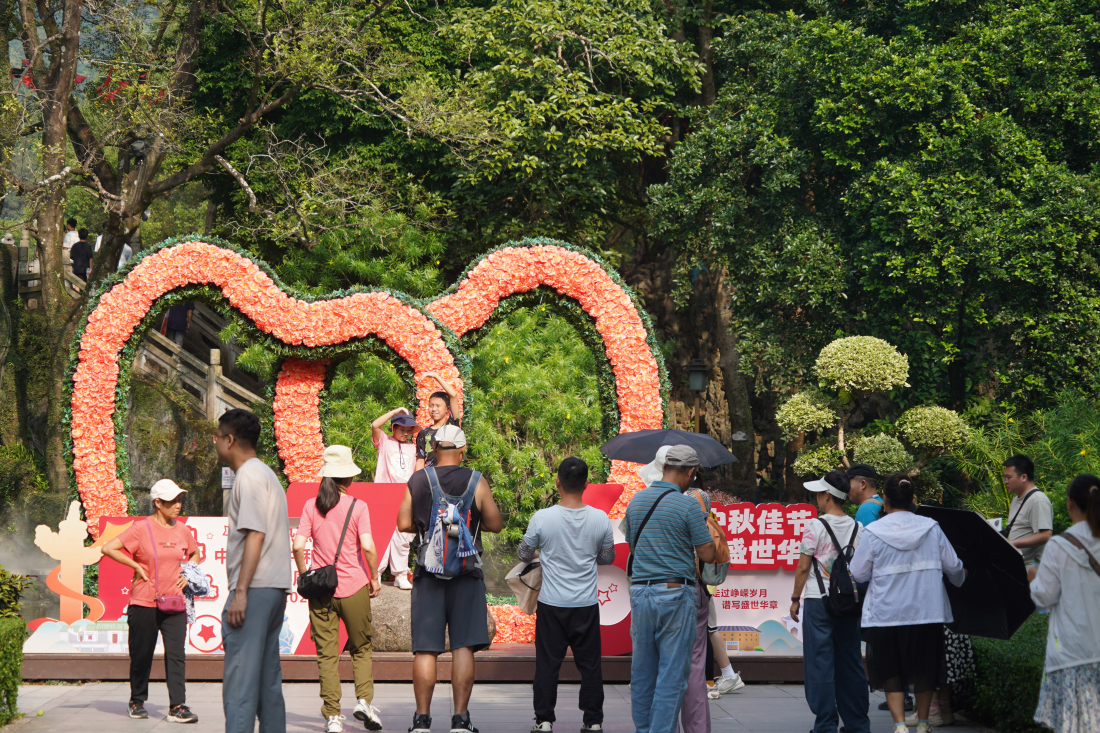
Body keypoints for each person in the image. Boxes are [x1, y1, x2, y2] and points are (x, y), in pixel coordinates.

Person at [396, 424, 503, 733]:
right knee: (463, 647)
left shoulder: (418, 479)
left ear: (434, 448)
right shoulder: (476, 480)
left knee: (426, 649)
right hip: (466, 574)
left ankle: (422, 720)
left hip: (429, 574)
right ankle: (460, 719)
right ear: (462, 450)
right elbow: (494, 524)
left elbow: (403, 522)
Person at [849, 473, 966, 733]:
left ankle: (900, 726)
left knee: (891, 671)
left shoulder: (873, 531)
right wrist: (962, 576)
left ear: (886, 499)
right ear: (913, 498)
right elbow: (954, 567)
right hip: (927, 611)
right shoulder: (931, 527)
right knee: (926, 670)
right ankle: (923, 724)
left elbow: (857, 574)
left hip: (887, 613)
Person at [621, 445, 716, 733]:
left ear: (663, 468)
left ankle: (644, 729)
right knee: (672, 675)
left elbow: (634, 547)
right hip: (675, 594)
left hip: (640, 594)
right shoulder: (687, 505)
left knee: (642, 673)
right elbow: (708, 554)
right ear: (690, 472)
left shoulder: (636, 501)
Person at [519, 457, 615, 733]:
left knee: (548, 665)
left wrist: (542, 551)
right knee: (590, 666)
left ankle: (545, 721)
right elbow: (607, 558)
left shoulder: (542, 518)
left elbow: (524, 554)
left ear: (557, 482)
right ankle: (593, 721)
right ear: (586, 484)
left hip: (552, 604)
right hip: (585, 604)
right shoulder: (600, 518)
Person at [293, 445, 383, 733]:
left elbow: (297, 545)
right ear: (349, 479)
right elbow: (368, 546)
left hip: (320, 589)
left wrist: (306, 574)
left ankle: (333, 717)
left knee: (327, 654)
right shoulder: (358, 506)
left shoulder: (310, 505)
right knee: (361, 648)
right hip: (354, 586)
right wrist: (374, 577)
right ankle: (364, 702)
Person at [215, 408, 293, 733]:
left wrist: (241, 592)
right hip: (274, 588)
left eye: (217, 437)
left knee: (240, 685)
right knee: (266, 683)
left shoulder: (247, 476)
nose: (215, 443)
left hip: (255, 589)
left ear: (230, 440)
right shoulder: (267, 474)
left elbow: (255, 533)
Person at [101, 479, 199, 723]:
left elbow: (195, 553)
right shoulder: (140, 529)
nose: (178, 505)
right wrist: (134, 565)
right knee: (142, 654)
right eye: (171, 501)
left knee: (176, 655)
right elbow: (108, 548)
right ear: (157, 503)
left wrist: (188, 572)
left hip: (175, 604)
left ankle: (178, 706)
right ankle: (136, 701)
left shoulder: (182, 530)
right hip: (144, 602)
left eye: (179, 500)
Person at [789, 470, 870, 733]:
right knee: (850, 661)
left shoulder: (815, 526)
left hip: (818, 601)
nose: (816, 498)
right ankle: (858, 724)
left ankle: (825, 725)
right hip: (850, 603)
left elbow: (803, 568)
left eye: (818, 493)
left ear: (827, 495)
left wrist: (794, 600)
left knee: (820, 663)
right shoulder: (858, 527)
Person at [1030, 473, 1100, 733]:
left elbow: (1045, 596)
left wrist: (1033, 579)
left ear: (1069, 504)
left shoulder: (1059, 545)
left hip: (1071, 654)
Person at [373, 407, 419, 590]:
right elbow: (375, 425)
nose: (406, 433)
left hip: (405, 496)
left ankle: (400, 574)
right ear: (393, 428)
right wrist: (394, 412)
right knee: (382, 535)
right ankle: (375, 573)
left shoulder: (413, 448)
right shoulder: (384, 442)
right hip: (383, 496)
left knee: (403, 536)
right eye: (402, 429)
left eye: (409, 430)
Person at [1003, 455, 1053, 567]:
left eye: (1008, 477)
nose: (1005, 481)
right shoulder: (1016, 499)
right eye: (1004, 478)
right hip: (1016, 567)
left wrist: (1013, 544)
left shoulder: (1038, 500)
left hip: (1030, 572)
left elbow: (1046, 535)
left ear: (1024, 477)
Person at [414, 373, 460, 472]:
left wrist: (436, 376)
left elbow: (453, 395)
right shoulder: (424, 433)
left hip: (451, 476)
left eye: (438, 406)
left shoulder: (452, 425)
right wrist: (417, 481)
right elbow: (420, 461)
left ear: (448, 409)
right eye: (431, 405)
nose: (434, 409)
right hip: (431, 477)